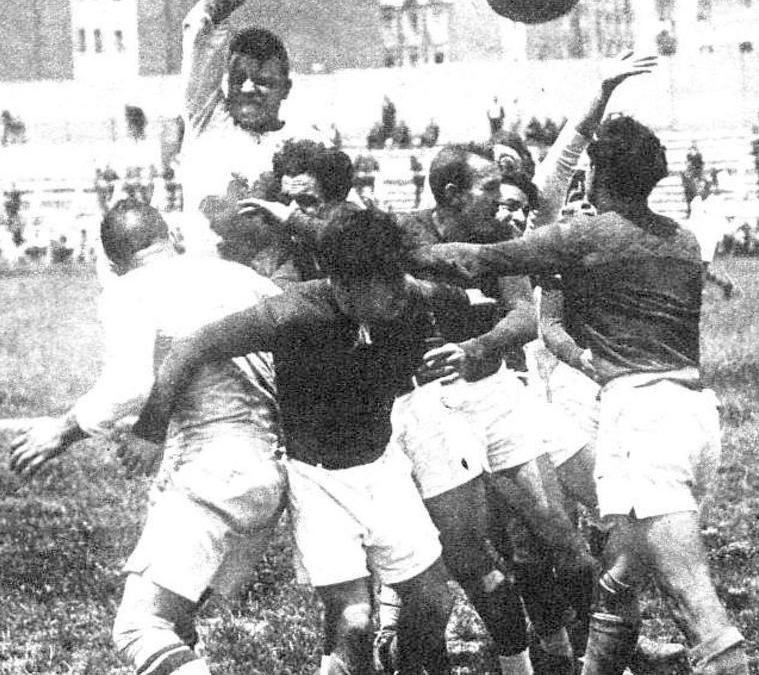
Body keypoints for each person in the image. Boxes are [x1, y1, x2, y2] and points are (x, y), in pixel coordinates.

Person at [409, 114, 750, 675]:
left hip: (643, 420)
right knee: (617, 577)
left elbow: (473, 260)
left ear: (598, 176)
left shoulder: (588, 235)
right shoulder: (683, 241)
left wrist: (373, 249)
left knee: (699, 610)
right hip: (695, 416)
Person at [134, 209, 462, 675]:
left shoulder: (407, 297)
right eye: (381, 282)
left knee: (433, 603)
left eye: (398, 276)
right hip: (317, 481)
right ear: (343, 284)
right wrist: (150, 431)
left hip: (384, 470)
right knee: (353, 622)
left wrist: (472, 348)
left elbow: (466, 304)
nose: (396, 290)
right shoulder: (291, 315)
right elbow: (193, 345)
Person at [7, 200, 286, 675]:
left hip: (212, 472)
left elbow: (130, 384)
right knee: (176, 622)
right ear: (170, 239)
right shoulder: (242, 277)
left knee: (139, 628)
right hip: (271, 472)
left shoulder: (130, 288)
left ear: (112, 261)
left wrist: (62, 432)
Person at [390, 141, 596, 675]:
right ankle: (416, 639)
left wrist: (477, 347)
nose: (500, 196)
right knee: (475, 559)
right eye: (488, 187)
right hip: (431, 405)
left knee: (561, 539)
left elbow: (526, 315)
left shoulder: (499, 237)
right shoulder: (404, 233)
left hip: (496, 393)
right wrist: (449, 301)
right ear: (452, 194)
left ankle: (573, 653)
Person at [174, 0, 328, 261]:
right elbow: (199, 32)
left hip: (278, 291)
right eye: (238, 80)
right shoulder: (207, 121)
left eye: (263, 82)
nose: (247, 89)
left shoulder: (309, 144)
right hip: (208, 286)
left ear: (285, 88)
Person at [235, 139, 358, 284]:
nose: (291, 209)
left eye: (307, 201)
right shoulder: (291, 245)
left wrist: (293, 219)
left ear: (336, 199)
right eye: (287, 200)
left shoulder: (358, 223)